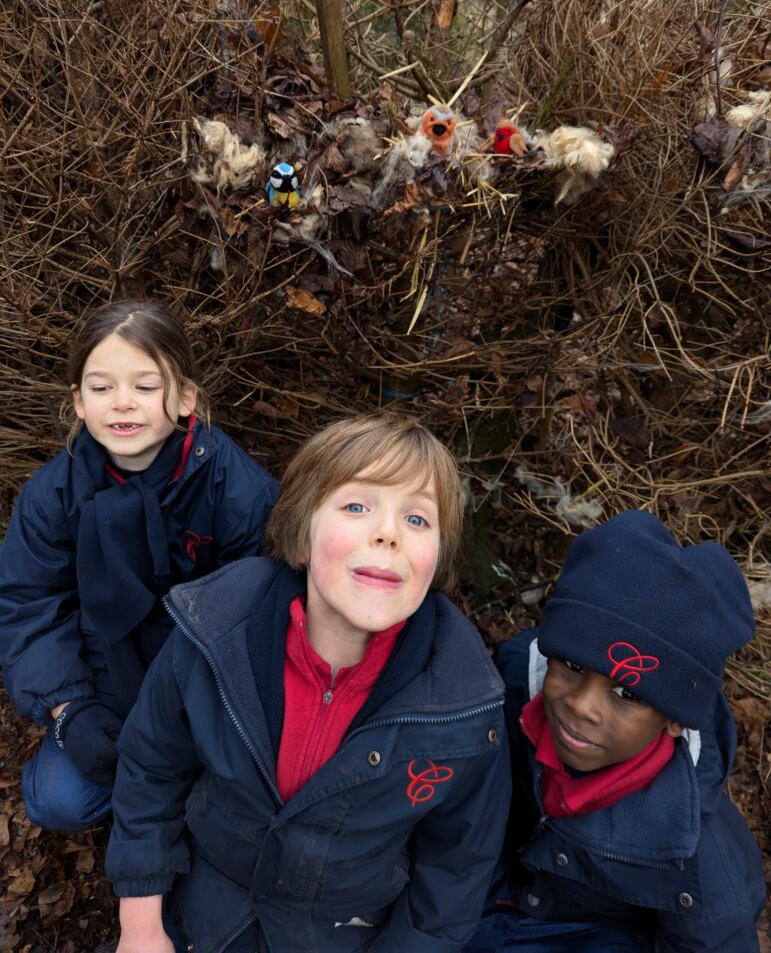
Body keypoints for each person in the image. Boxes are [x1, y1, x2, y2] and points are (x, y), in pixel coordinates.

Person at [105, 412, 512, 953]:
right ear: (301, 537)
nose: (387, 533)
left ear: (435, 563)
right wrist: (141, 928)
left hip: (343, 931)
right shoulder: (212, 633)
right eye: (356, 506)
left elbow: (456, 872)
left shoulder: (467, 707)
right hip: (206, 907)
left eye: (417, 520)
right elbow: (150, 769)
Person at [0, 300, 277, 832]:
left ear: (185, 398)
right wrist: (68, 711)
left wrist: (214, 709)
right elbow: (27, 603)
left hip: (203, 683)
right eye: (102, 388)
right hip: (105, 681)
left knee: (227, 799)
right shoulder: (52, 496)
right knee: (59, 800)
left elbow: (262, 606)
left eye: (146, 387)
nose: (123, 403)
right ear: (78, 402)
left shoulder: (236, 489)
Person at [466, 509, 766, 953]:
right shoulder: (506, 688)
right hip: (474, 894)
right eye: (572, 665)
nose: (582, 706)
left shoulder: (697, 862)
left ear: (674, 719)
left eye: (627, 693)